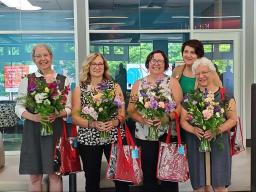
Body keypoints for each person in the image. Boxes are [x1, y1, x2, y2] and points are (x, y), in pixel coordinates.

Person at [15, 44, 72, 191]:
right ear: (34, 59)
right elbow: (18, 107)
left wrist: (57, 113)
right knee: (35, 176)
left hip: (55, 132)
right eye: (38, 56)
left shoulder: (63, 80)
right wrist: (34, 117)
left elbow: (69, 108)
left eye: (45, 55)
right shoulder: (27, 80)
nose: (42, 59)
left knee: (54, 174)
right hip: (33, 132)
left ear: (51, 57)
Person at [71, 52, 129, 192]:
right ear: (88, 67)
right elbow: (75, 117)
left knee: (120, 178)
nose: (97, 67)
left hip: (114, 137)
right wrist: (93, 124)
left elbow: (122, 112)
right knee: (92, 179)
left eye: (100, 64)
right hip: (89, 139)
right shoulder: (80, 90)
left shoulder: (115, 87)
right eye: (94, 64)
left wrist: (115, 122)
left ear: (105, 67)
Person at [127, 50, 183, 192]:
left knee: (168, 174)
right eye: (153, 60)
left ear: (165, 64)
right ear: (148, 63)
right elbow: (130, 110)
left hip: (167, 135)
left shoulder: (172, 82)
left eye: (160, 61)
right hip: (144, 135)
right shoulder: (138, 84)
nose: (156, 63)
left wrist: (166, 118)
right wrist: (142, 119)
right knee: (148, 174)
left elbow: (179, 108)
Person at [180, 57, 237, 192]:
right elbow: (183, 121)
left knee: (220, 185)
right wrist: (193, 129)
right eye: (198, 74)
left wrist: (217, 130)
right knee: (199, 186)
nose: (201, 76)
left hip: (219, 143)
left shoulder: (225, 95)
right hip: (196, 142)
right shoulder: (190, 96)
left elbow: (233, 119)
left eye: (204, 72)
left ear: (212, 72)